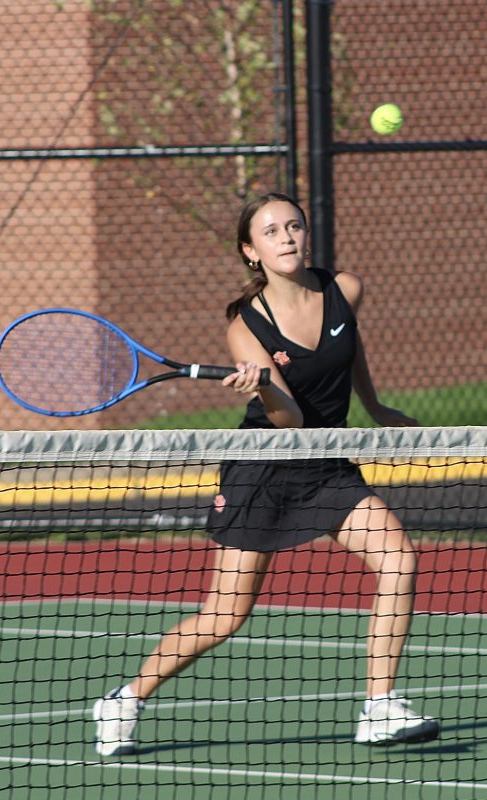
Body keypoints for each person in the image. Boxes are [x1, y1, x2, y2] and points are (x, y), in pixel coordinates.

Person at [93, 191, 439, 755]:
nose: (287, 238)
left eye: (295, 227)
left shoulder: (344, 288)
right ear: (250, 251)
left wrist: (375, 408)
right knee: (227, 614)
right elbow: (290, 420)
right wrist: (260, 386)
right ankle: (125, 699)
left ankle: (378, 706)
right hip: (264, 467)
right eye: (272, 232)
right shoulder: (244, 324)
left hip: (326, 463)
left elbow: (349, 348)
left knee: (399, 557)